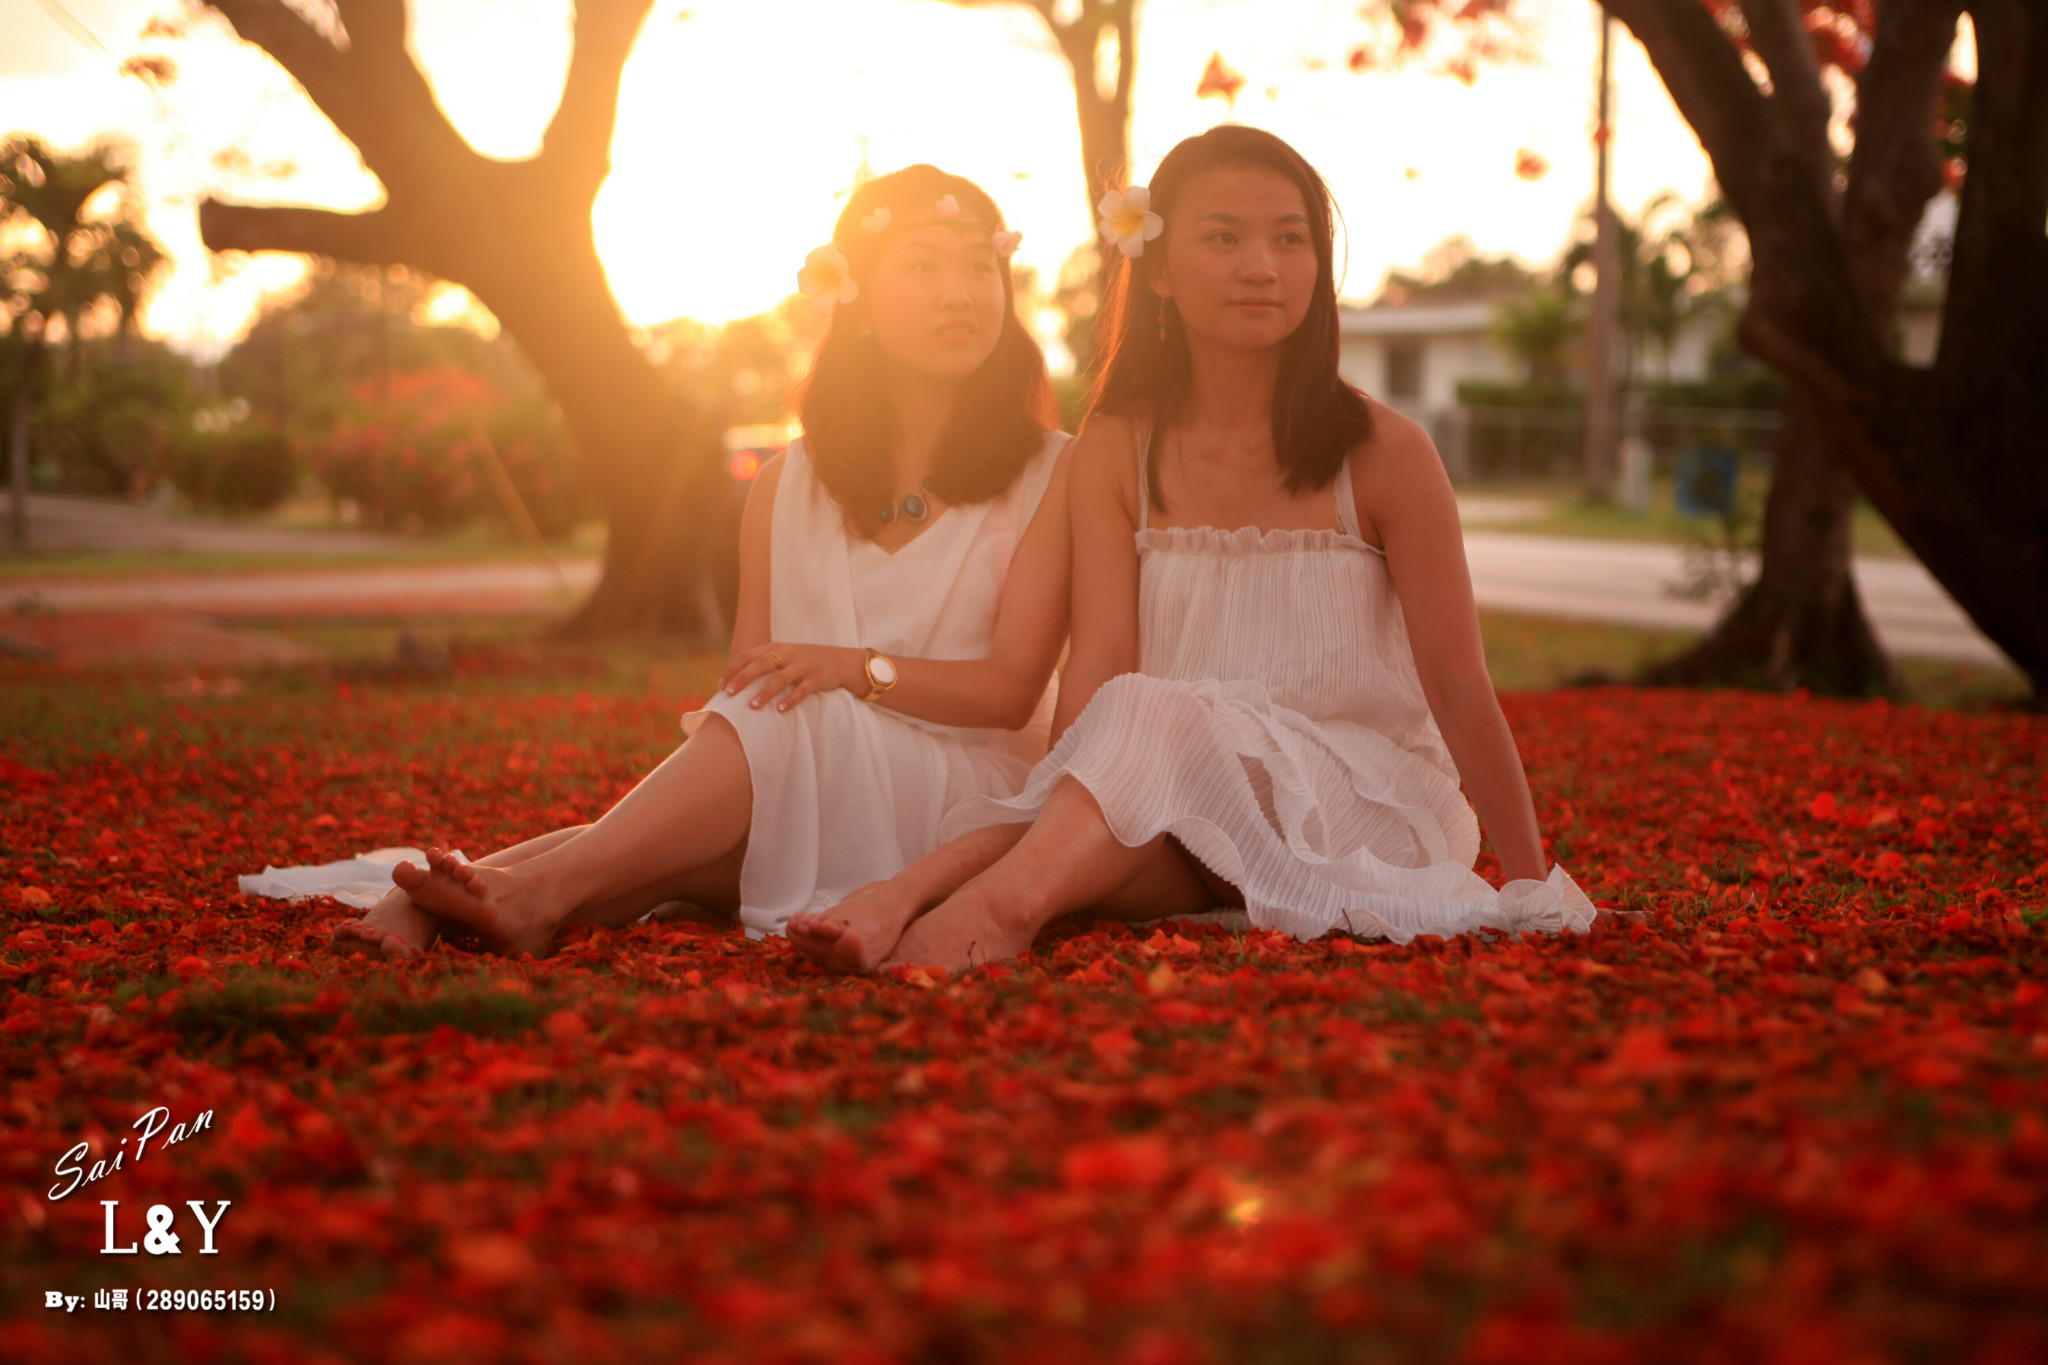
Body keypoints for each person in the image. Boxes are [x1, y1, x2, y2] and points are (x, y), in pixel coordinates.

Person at [788, 126, 1600, 976]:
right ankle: (913, 889)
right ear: (1163, 271)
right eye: (1226, 237)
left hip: (1361, 805)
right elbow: (1097, 680)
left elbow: (1460, 683)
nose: (1264, 265)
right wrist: (1067, 786)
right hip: (1186, 814)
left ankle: (987, 907)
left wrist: (1529, 876)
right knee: (1119, 745)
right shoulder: (1116, 447)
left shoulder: (1387, 453)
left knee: (1148, 716)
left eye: (1291, 239)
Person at [331, 164, 1072, 959]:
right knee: (696, 816)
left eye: (977, 264)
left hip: (969, 798)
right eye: (924, 265)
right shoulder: (789, 482)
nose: (961, 291)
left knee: (771, 742)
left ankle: (512, 894)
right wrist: (816, 689)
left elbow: (1012, 690)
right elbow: (746, 693)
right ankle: (467, 901)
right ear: (854, 300)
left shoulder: (1054, 471)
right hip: (816, 767)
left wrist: (855, 669)